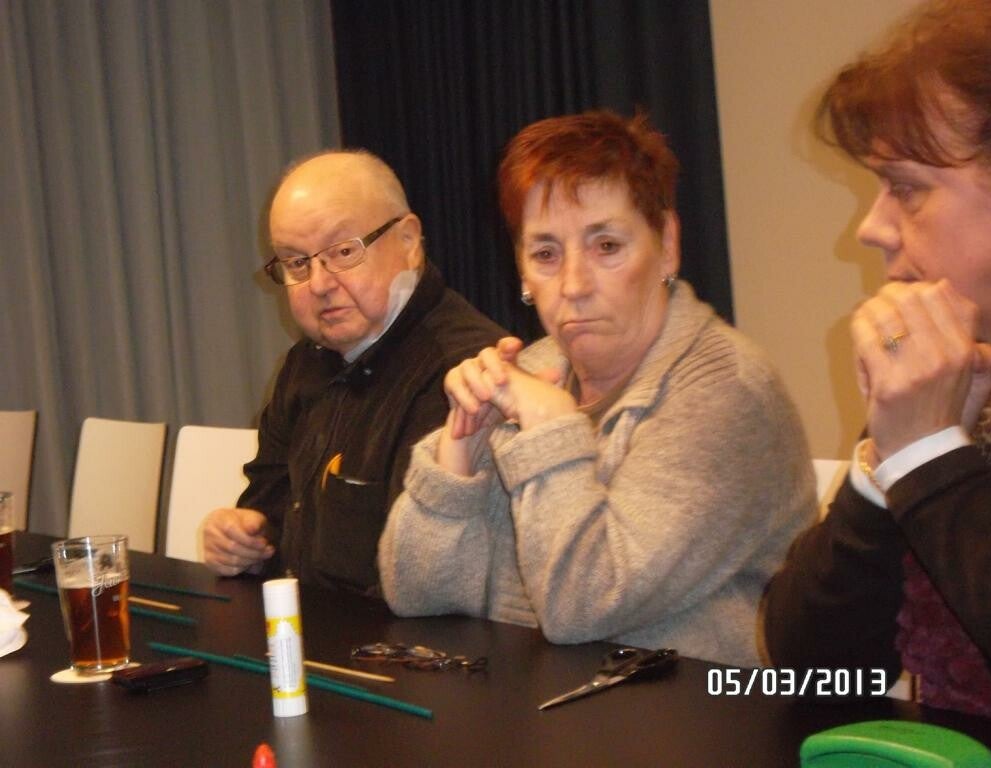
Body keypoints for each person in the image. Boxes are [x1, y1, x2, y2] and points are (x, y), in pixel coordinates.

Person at [379, 111, 816, 667]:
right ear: (522, 273)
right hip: (535, 701)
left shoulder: (727, 392)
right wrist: (456, 459)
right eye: (545, 254)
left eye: (606, 246)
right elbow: (414, 593)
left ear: (667, 246)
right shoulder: (531, 371)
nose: (574, 285)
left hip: (709, 711)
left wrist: (550, 430)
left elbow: (581, 606)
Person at [762, 0, 991, 720]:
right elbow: (811, 672)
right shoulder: (963, 367)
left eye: (906, 188)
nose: (871, 228)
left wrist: (931, 461)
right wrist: (888, 461)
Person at [201, 151, 504, 593]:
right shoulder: (306, 361)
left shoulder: (464, 370)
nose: (320, 284)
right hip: (307, 621)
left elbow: (427, 577)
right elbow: (268, 500)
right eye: (297, 263)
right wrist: (243, 536)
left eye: (343, 252)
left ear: (408, 240)